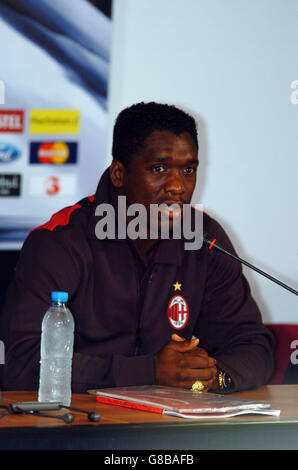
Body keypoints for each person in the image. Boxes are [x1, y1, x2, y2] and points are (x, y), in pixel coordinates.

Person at [1, 102, 274, 393]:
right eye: (159, 168)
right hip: (76, 426)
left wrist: (209, 377)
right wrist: (148, 372)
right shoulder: (59, 241)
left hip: (169, 427)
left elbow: (253, 345)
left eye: (188, 169)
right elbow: (23, 362)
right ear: (119, 174)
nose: (178, 186)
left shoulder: (205, 237)